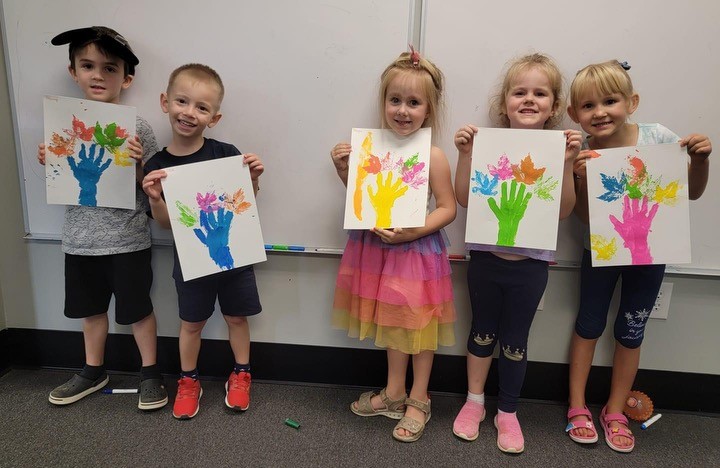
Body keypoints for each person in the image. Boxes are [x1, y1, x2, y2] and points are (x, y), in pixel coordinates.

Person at [565, 60, 711, 453]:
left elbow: (690, 194)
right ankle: (577, 406)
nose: (599, 113)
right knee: (589, 324)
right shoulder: (582, 149)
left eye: (609, 101)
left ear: (632, 102)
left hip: (651, 255)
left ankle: (614, 410)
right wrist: (578, 178)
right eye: (588, 106)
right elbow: (583, 218)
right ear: (574, 113)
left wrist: (699, 161)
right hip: (600, 253)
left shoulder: (659, 136)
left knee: (631, 331)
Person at [452, 53, 580, 453]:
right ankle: (475, 402)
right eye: (519, 92)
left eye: (540, 93)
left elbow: (562, 212)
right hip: (486, 262)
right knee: (481, 332)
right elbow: (463, 199)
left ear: (554, 106)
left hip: (531, 268)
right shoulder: (488, 145)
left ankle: (508, 410)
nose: (529, 99)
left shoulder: (558, 149)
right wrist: (466, 156)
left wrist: (569, 163)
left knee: (515, 340)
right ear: (504, 101)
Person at [329, 48, 456, 443]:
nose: (403, 110)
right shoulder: (371, 149)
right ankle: (394, 392)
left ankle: (419, 398)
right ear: (383, 103)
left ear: (428, 110)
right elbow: (363, 199)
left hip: (416, 254)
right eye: (395, 100)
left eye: (414, 102)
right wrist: (343, 171)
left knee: (419, 327)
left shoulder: (433, 155)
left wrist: (413, 232)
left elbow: (448, 208)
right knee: (392, 324)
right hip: (377, 250)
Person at [38, 26, 166, 410]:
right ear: (73, 71)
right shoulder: (62, 124)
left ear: (126, 79)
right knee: (90, 312)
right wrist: (49, 160)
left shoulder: (138, 127)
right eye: (88, 66)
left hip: (128, 239)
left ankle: (151, 373)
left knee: (138, 311)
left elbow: (153, 187)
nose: (97, 75)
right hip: (79, 240)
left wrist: (143, 163)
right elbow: (60, 179)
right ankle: (93, 370)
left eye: (109, 69)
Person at [142, 64, 265, 420]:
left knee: (237, 318)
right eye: (182, 101)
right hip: (191, 263)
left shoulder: (226, 153)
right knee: (191, 323)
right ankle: (188, 379)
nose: (189, 112)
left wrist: (253, 179)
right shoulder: (158, 164)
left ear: (214, 117)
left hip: (234, 259)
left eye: (202, 107)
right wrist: (153, 198)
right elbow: (165, 224)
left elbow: (244, 207)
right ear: (165, 102)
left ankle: (242, 373)